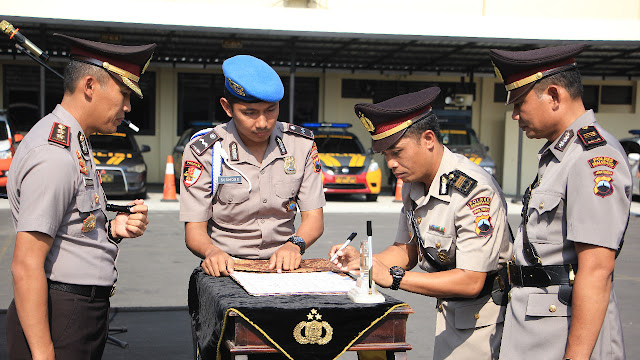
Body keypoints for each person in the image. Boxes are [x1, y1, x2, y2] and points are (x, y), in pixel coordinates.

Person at [330, 87, 513, 360]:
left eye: (397, 151)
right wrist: (365, 262)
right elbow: (408, 250)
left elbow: (471, 280)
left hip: (485, 321)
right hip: (452, 313)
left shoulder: (473, 191)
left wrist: (393, 278)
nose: (390, 163)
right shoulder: (414, 184)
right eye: (385, 155)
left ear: (428, 139)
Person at [5, 34, 153, 359]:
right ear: (90, 86)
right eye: (124, 93)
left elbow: (72, 229)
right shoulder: (54, 154)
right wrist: (44, 354)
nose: (128, 106)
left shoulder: (75, 141)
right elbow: (26, 265)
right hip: (61, 316)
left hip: (76, 312)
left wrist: (114, 230)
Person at [490, 44, 631, 360]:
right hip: (538, 328)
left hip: (563, 337)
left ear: (553, 95)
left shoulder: (593, 157)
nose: (514, 115)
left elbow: (596, 268)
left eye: (520, 103)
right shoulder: (560, 155)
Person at [180, 54, 325, 276]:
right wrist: (211, 252)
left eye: (271, 110)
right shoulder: (206, 151)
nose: (262, 123)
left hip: (285, 265)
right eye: (249, 113)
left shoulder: (300, 145)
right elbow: (194, 229)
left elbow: (314, 218)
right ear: (227, 108)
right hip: (227, 266)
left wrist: (295, 245)